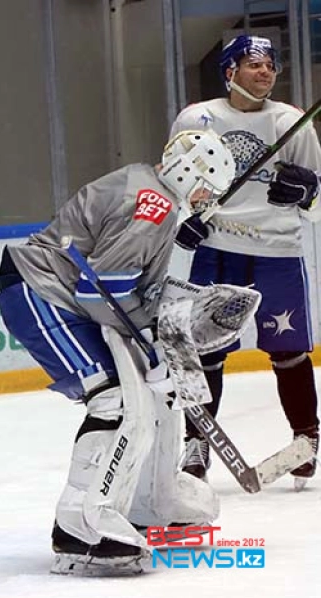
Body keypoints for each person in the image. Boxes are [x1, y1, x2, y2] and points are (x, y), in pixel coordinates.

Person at [0, 130, 236, 575]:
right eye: (206, 184)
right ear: (188, 170)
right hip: (41, 291)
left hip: (63, 293)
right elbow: (102, 292)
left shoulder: (156, 195)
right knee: (114, 399)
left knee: (152, 396)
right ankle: (80, 524)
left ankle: (148, 500)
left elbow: (128, 291)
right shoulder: (155, 203)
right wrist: (151, 348)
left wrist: (163, 340)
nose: (206, 197)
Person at [170, 34, 321, 488]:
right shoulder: (197, 118)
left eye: (271, 64)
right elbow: (176, 178)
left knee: (289, 352)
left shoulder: (292, 123)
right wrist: (187, 218)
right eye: (254, 63)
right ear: (230, 71)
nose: (266, 72)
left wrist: (307, 192)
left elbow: (318, 195)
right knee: (206, 352)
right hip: (216, 251)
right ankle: (196, 445)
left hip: (277, 252)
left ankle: (307, 439)